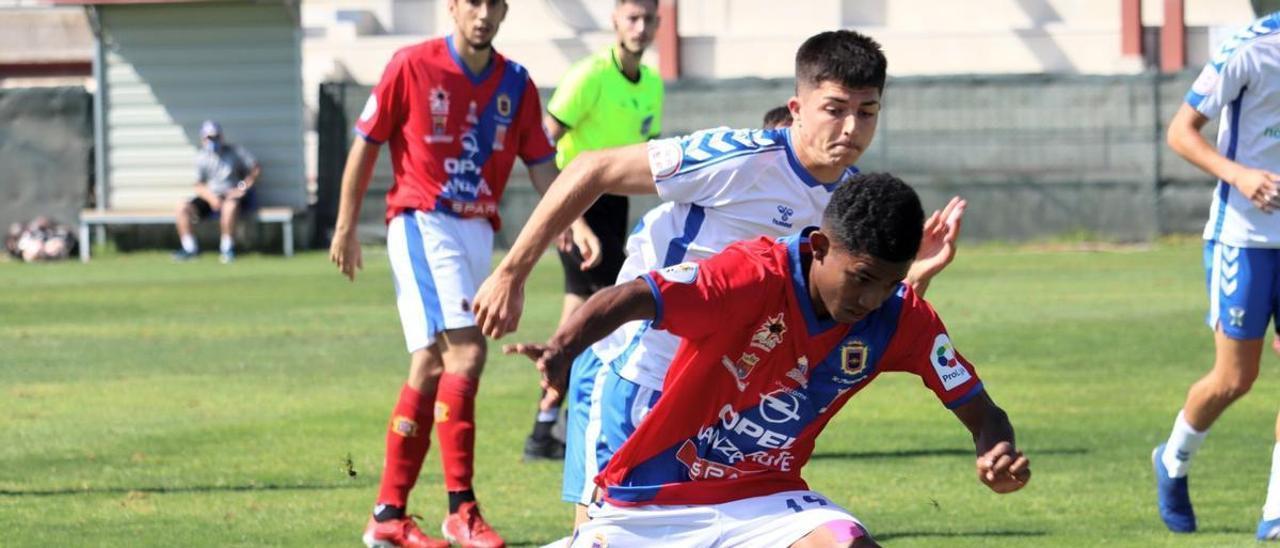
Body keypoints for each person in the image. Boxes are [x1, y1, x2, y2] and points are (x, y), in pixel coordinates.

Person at [473, 29, 966, 529]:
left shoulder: (854, 206)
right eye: (835, 108)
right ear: (797, 107)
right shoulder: (738, 159)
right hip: (638, 372)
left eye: (867, 112)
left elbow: (864, 310)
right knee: (605, 535)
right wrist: (512, 272)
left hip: (726, 397)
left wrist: (913, 276)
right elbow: (594, 166)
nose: (851, 127)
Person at [508, 174, 1029, 547]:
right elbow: (635, 297)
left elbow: (982, 410)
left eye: (891, 283)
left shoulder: (900, 318)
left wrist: (996, 448)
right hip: (650, 502)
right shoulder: (753, 274)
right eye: (862, 278)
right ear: (821, 246)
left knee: (846, 542)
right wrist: (564, 348)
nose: (872, 299)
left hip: (763, 501)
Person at [328, 1, 592, 546]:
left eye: (495, 3)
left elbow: (541, 161)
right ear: (452, 6)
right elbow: (367, 143)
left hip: (477, 231)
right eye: (473, 1)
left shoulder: (516, 81)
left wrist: (577, 219)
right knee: (467, 353)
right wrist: (345, 225)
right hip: (424, 222)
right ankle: (461, 509)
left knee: (429, 364)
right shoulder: (411, 65)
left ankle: (387, 515)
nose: (484, 13)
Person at [1153, 11, 1280, 540]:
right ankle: (1173, 461)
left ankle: (1276, 509)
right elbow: (1181, 132)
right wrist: (1240, 175)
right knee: (1235, 379)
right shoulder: (1249, 49)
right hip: (1243, 241)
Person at [522, 0, 664, 462]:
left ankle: (544, 430)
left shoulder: (653, 85)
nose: (640, 27)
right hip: (577, 202)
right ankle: (597, 424)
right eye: (632, 18)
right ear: (615, 22)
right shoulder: (588, 75)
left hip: (613, 207)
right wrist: (567, 216)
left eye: (648, 19)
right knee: (607, 318)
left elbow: (645, 155)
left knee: (578, 316)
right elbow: (544, 143)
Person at [172, 120, 260, 264]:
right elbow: (198, 185)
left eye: (215, 137)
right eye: (209, 138)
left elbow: (255, 169)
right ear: (203, 139)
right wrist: (212, 198)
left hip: (230, 194)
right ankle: (190, 248)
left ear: (221, 137)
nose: (213, 141)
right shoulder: (202, 157)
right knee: (181, 206)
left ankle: (227, 248)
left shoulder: (234, 152)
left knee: (229, 206)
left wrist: (242, 187)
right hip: (211, 196)